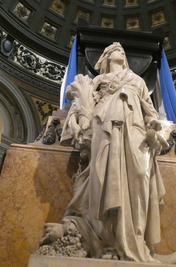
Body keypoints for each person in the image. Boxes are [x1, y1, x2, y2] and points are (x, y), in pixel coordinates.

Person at [60, 42, 166, 262]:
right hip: (104, 129)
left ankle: (135, 240)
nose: (119, 50)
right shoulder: (98, 81)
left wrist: (153, 124)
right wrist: (79, 125)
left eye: (121, 50)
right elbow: (80, 108)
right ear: (106, 58)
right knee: (105, 180)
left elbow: (150, 110)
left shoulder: (137, 81)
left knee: (138, 178)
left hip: (135, 131)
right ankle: (109, 242)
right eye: (113, 50)